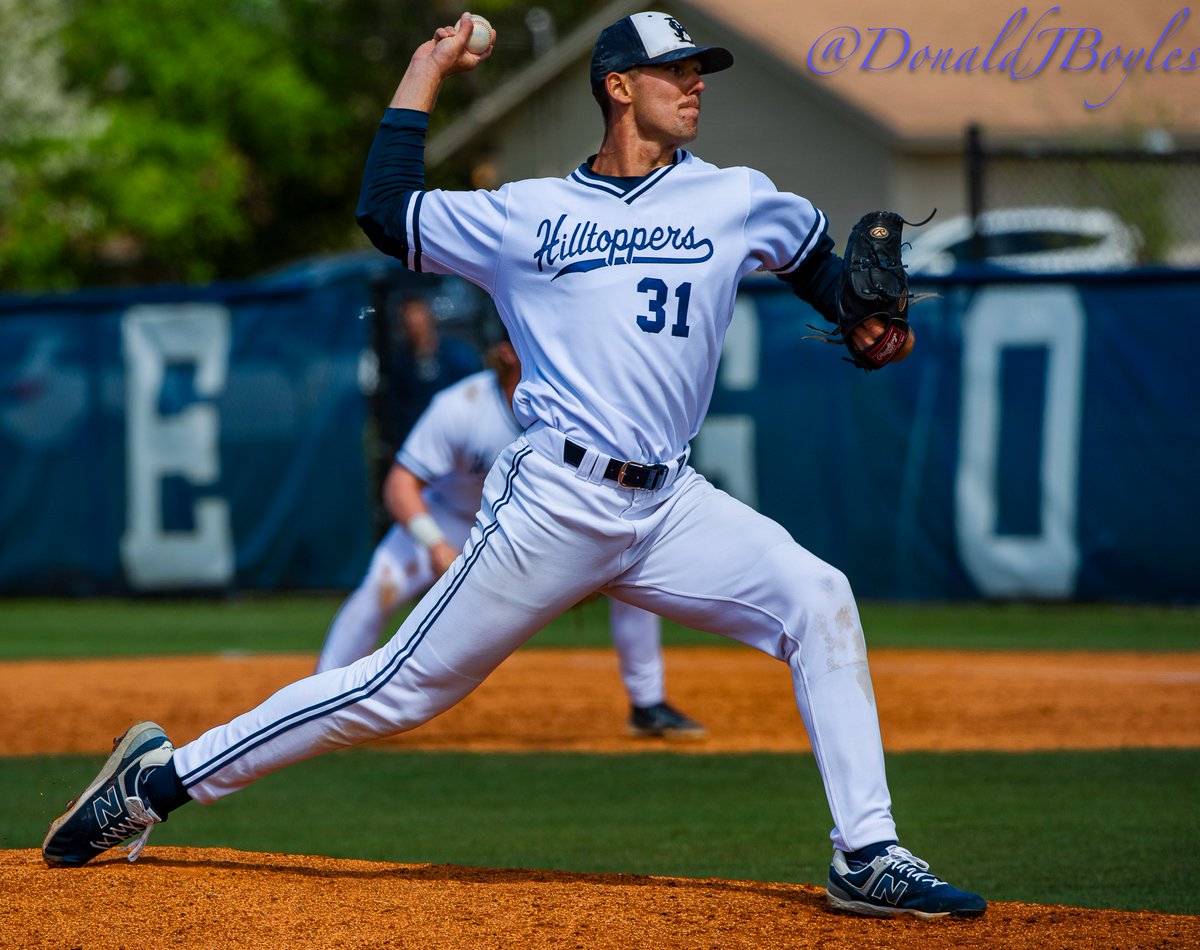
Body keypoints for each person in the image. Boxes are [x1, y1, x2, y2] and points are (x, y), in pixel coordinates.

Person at [43, 11, 984, 920]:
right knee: (396, 689)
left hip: (670, 504)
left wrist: (870, 326)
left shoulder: (736, 196)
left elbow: (824, 273)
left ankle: (868, 854)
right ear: (619, 87)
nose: (696, 84)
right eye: (676, 70)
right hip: (556, 500)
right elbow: (385, 212)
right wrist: (427, 68)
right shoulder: (526, 216)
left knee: (818, 597)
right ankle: (156, 784)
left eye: (700, 70)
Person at [317, 329, 705, 738]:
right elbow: (400, 485)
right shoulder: (463, 406)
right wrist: (434, 543)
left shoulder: (576, 406)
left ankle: (647, 704)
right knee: (381, 587)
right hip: (449, 518)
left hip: (528, 521)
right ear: (507, 353)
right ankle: (320, 698)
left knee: (632, 566)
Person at [384, 294, 481, 448]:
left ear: (430, 319)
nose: (416, 330)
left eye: (419, 323)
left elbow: (476, 392)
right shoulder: (400, 364)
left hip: (459, 436)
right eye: (410, 325)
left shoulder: (457, 354)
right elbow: (397, 410)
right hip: (419, 440)